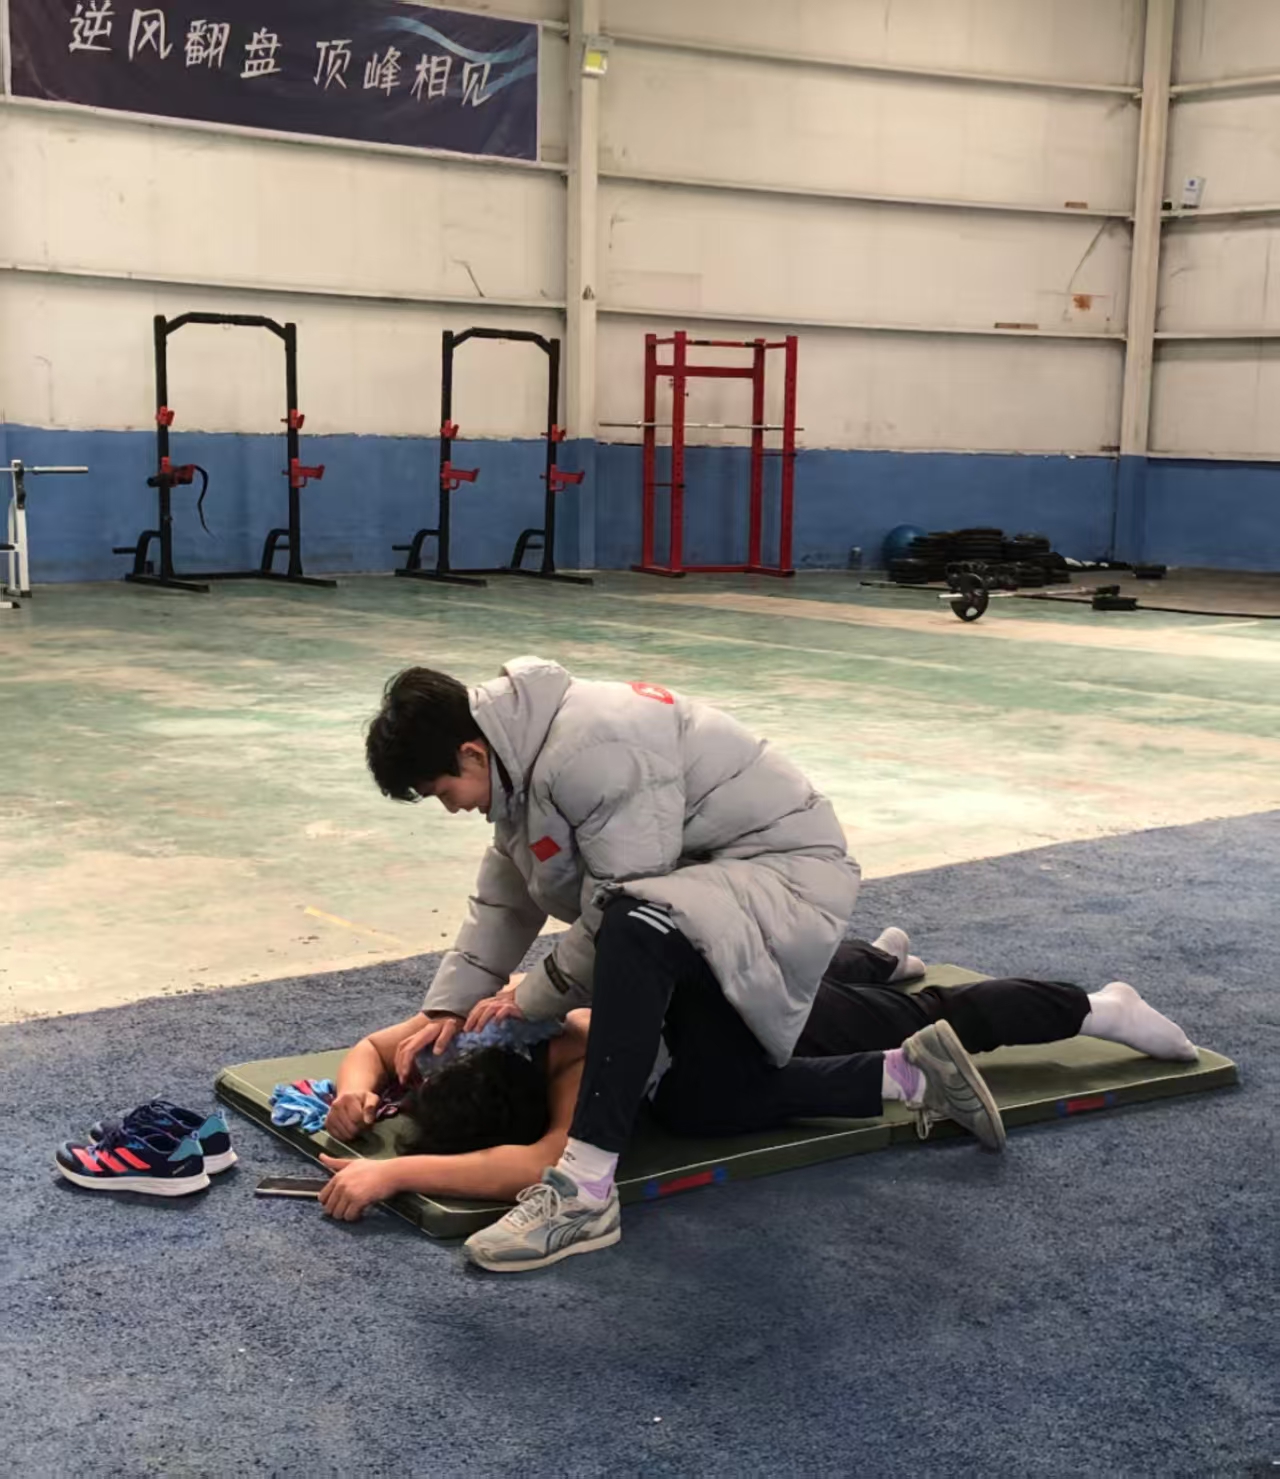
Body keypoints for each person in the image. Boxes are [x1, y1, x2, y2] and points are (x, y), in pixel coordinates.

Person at [316, 925, 1198, 1232]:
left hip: (742, 1005)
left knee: (931, 1015)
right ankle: (876, 956)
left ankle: (1097, 1005)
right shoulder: (480, 1035)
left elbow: (534, 1158)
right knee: (832, 983)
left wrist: (392, 1166)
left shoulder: (551, 1051)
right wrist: (358, 1091)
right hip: (725, 990)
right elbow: (371, 1048)